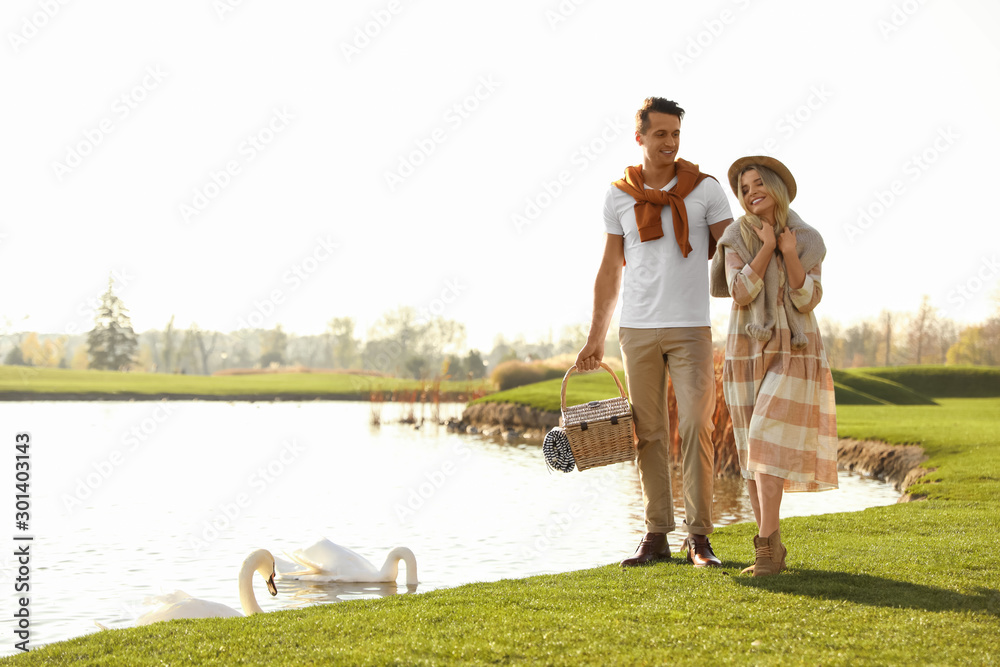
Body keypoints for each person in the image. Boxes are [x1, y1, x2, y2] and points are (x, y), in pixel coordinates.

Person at [575, 97, 733, 568]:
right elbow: (609, 270)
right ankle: (656, 535)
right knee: (648, 433)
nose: (669, 142)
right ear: (639, 137)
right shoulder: (618, 195)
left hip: (691, 329)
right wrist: (595, 336)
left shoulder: (705, 190)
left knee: (695, 425)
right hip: (636, 330)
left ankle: (700, 538)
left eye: (676, 134)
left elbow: (734, 251)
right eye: (660, 133)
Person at [710, 156, 838, 576]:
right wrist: (766, 247)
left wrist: (787, 251)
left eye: (757, 183)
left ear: (777, 186)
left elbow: (806, 299)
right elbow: (741, 291)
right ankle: (774, 547)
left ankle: (764, 547)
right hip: (747, 351)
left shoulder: (809, 239)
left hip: (796, 350)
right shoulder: (734, 237)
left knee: (764, 440)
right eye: (744, 188)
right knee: (751, 453)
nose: (750, 192)